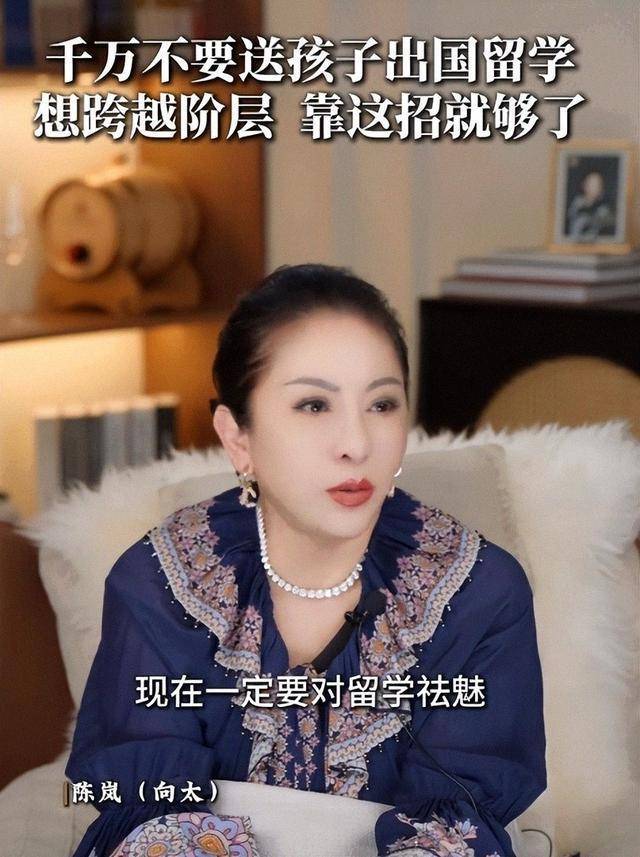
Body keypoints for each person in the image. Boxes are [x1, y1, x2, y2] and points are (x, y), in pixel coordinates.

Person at [66, 263, 546, 856]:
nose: (357, 444)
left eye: (382, 404)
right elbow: (144, 812)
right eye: (314, 405)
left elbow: (461, 823)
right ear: (238, 437)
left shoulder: (478, 591)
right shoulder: (162, 582)